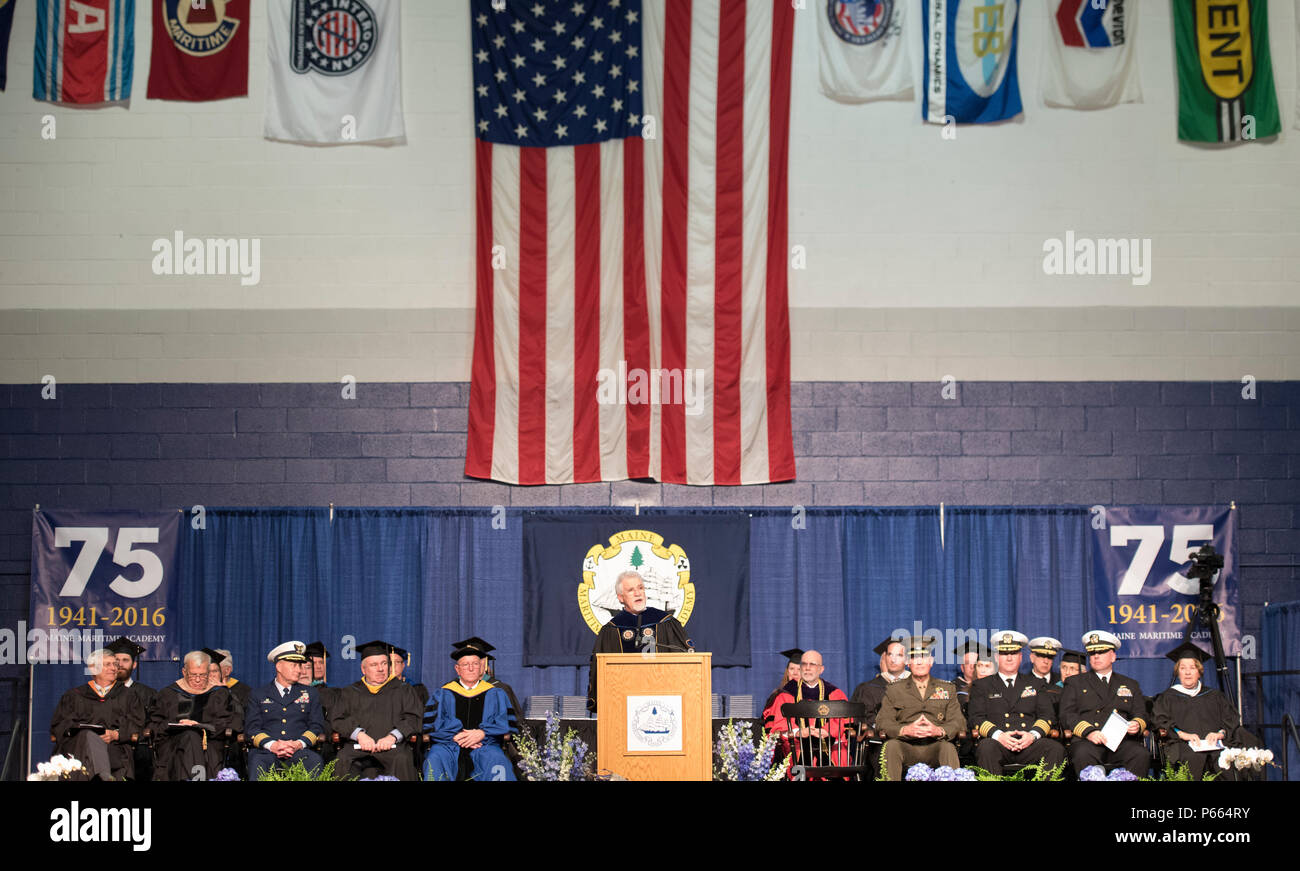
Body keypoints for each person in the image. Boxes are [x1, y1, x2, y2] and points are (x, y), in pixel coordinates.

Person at [1152, 641, 1262, 781]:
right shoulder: (1167, 697)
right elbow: (1159, 722)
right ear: (1177, 672)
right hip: (1184, 745)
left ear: (1199, 671)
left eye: (1192, 668)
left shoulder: (1214, 696)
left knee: (1225, 757)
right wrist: (1182, 734)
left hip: (1216, 745)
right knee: (1193, 757)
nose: (1187, 672)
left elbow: (1231, 719)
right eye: (1182, 668)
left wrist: (1220, 733)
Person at [587, 570, 692, 712]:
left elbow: (686, 662)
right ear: (620, 597)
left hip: (664, 703)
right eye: (631, 590)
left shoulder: (665, 622)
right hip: (621, 705)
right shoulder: (611, 630)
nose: (638, 593)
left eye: (640, 588)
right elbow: (599, 672)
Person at [968, 631, 1066, 775]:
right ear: (996, 657)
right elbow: (976, 718)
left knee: (1055, 749)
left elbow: (1047, 716)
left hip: (1029, 743)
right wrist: (999, 735)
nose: (1009, 658)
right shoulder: (982, 685)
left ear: (1020, 657)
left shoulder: (1037, 684)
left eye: (1014, 653)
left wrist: (1032, 735)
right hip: (998, 742)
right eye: (1004, 653)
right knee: (985, 748)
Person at [1059, 631, 1150, 777]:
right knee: (1082, 753)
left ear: (1113, 656)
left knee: (1140, 754)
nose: (1095, 656)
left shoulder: (1129, 684)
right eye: (1092, 652)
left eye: (1101, 652)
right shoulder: (1075, 682)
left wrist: (1137, 724)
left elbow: (1141, 713)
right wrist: (1089, 732)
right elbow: (1066, 714)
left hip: (1121, 743)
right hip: (1087, 741)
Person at [329, 640, 422, 780]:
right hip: (357, 748)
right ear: (363, 669)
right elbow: (338, 719)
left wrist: (393, 737)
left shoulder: (403, 689)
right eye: (374, 665)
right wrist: (359, 735)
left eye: (384, 663)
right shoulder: (349, 692)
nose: (380, 669)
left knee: (402, 759)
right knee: (343, 759)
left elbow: (413, 718)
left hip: (393, 749)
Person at [424, 640, 517, 781]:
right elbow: (431, 727)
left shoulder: (496, 693)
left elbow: (506, 726)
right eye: (465, 664)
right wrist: (456, 737)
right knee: (435, 758)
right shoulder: (442, 693)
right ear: (457, 669)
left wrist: (482, 733)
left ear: (481, 667)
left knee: (498, 760)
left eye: (475, 664)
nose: (471, 668)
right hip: (449, 744)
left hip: (486, 743)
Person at [876, 635, 965, 780]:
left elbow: (958, 721)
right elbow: (883, 721)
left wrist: (939, 730)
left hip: (935, 745)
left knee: (948, 747)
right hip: (905, 745)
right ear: (907, 663)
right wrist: (904, 730)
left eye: (923, 657)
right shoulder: (894, 689)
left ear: (931, 661)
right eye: (913, 658)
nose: (918, 662)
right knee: (891, 746)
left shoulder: (947, 688)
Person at [50, 648, 144, 780]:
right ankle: (102, 777)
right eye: (107, 664)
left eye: (115, 664)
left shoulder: (129, 695)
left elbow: (137, 723)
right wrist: (84, 734)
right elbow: (60, 725)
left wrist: (116, 734)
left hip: (114, 748)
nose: (114, 668)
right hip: (79, 749)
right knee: (88, 736)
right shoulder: (74, 696)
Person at [150, 650, 241, 781]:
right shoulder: (168, 694)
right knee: (189, 735)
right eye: (193, 675)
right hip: (173, 747)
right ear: (184, 672)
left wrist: (199, 726)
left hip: (209, 746)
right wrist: (178, 726)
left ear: (209, 673)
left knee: (192, 735)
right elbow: (154, 725)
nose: (198, 680)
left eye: (203, 675)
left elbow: (229, 723)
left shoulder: (219, 694)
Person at [244, 641, 326, 780]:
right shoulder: (258, 694)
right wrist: (273, 745)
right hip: (266, 752)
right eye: (294, 665)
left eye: (300, 665)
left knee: (314, 761)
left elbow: (316, 725)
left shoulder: (310, 693)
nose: (299, 670)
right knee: (257, 763)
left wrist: (298, 744)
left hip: (299, 751)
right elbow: (252, 729)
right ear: (279, 666)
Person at [768, 650, 853, 771]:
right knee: (798, 752)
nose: (807, 668)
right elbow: (780, 724)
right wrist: (798, 732)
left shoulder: (835, 693)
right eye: (804, 664)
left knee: (840, 753)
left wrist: (826, 732)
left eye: (812, 664)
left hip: (829, 742)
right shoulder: (786, 694)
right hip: (798, 743)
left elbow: (843, 722)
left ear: (821, 669)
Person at [106, 636, 156, 781]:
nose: (120, 664)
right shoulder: (100, 692)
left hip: (137, 747)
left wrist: (132, 734)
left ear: (134, 665)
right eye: (116, 660)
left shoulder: (148, 693)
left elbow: (153, 722)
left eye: (125, 660)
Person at [848, 637, 910, 730]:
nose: (893, 660)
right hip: (881, 737)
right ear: (883, 662)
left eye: (899, 655)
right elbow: (865, 718)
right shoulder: (868, 688)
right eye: (889, 655)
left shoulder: (918, 685)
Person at [761, 648, 804, 732]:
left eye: (799, 669)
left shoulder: (813, 695)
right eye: (791, 669)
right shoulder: (778, 695)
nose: (795, 673)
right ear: (787, 672)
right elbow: (771, 724)